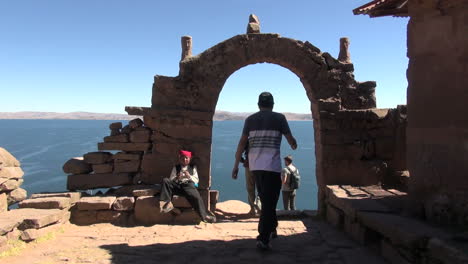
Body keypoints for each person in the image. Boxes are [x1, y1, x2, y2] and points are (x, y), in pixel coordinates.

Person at [232, 91, 297, 250]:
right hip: (272, 167)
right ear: (273, 104)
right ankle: (263, 237)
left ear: (259, 105)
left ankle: (272, 227)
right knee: (269, 202)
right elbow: (290, 139)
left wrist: (235, 165)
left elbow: (241, 143)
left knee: (266, 199)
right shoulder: (279, 118)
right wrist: (294, 144)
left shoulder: (250, 119)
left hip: (255, 167)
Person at [159, 150, 216, 223]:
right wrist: (177, 178)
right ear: (179, 159)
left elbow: (196, 180)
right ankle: (166, 204)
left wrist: (189, 176)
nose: (184, 160)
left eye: (186, 158)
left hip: (188, 186)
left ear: (190, 159)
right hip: (178, 186)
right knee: (165, 181)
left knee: (197, 198)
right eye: (182, 158)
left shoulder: (192, 168)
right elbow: (171, 179)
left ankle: (204, 216)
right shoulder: (176, 168)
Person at [240, 141, 261, 216]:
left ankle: (253, 209)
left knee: (250, 188)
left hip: (249, 165)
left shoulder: (248, 140)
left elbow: (239, 152)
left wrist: (243, 161)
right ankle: (259, 206)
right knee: (261, 188)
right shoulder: (263, 139)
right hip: (262, 167)